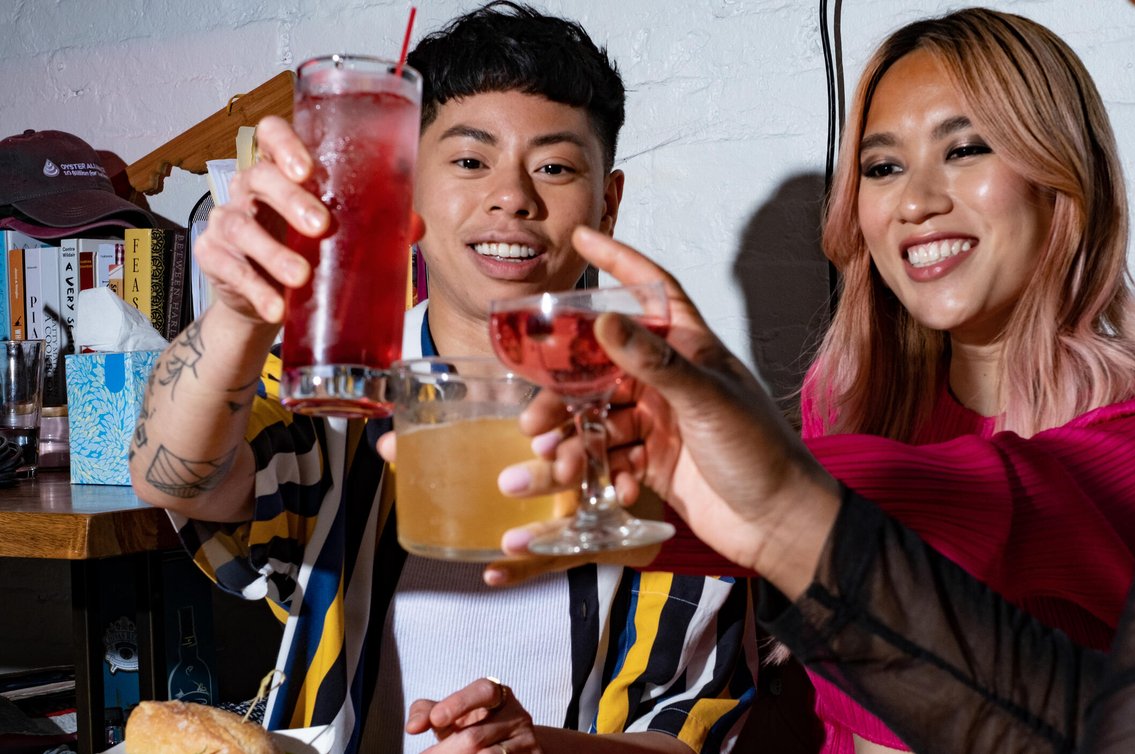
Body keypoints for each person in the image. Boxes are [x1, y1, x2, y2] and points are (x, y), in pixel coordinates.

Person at [504, 0, 1135, 751]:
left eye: (966, 149)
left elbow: (1001, 502)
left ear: (1062, 179)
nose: (916, 201)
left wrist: (700, 481)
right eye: (882, 167)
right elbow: (816, 722)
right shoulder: (854, 409)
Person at [128, 4, 754, 754]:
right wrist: (236, 311)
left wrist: (535, 747)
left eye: (554, 166)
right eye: (468, 160)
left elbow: (686, 733)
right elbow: (176, 478)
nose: (512, 197)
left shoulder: (673, 422)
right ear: (409, 191)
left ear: (607, 203)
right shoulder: (343, 375)